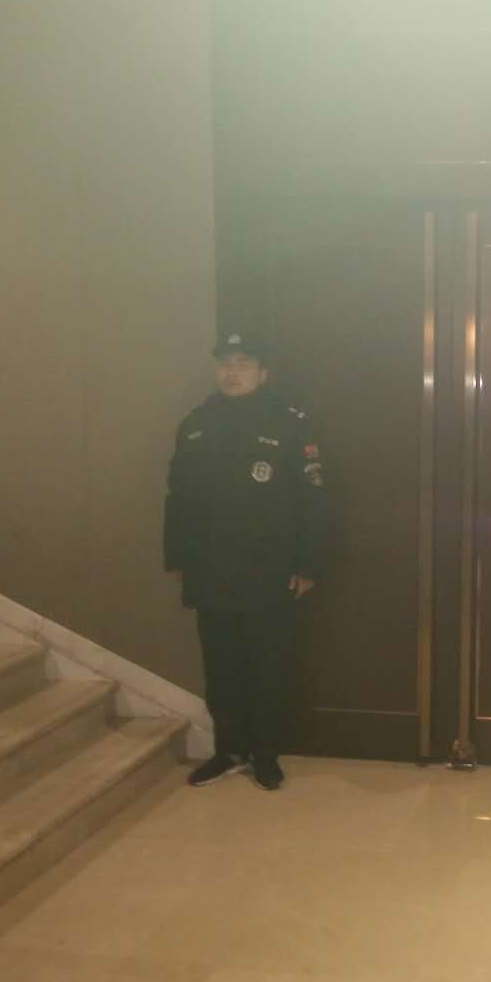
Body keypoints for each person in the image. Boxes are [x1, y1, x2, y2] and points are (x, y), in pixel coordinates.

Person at [163, 330, 325, 790]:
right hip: (210, 569)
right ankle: (228, 750)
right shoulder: (196, 423)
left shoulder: (290, 423)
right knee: (221, 667)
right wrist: (177, 558)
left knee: (268, 667)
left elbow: (314, 499)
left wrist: (308, 565)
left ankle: (265, 754)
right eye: (225, 363)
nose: (231, 372)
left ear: (263, 372)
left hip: (268, 570)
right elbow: (178, 498)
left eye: (243, 363)